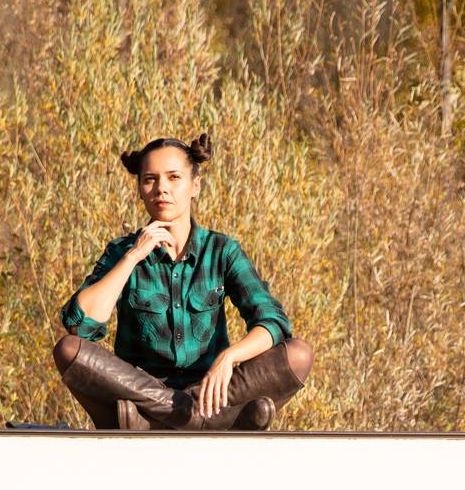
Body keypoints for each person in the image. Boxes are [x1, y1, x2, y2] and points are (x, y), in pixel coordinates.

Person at [53, 133, 313, 431]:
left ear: (195, 186)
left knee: (299, 354)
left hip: (211, 392)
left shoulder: (221, 250)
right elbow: (80, 326)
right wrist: (133, 257)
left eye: (173, 177)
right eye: (150, 179)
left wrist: (229, 358)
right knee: (68, 350)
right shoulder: (123, 251)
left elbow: (274, 323)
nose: (161, 188)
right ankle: (200, 420)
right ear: (140, 189)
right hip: (140, 390)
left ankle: (160, 422)